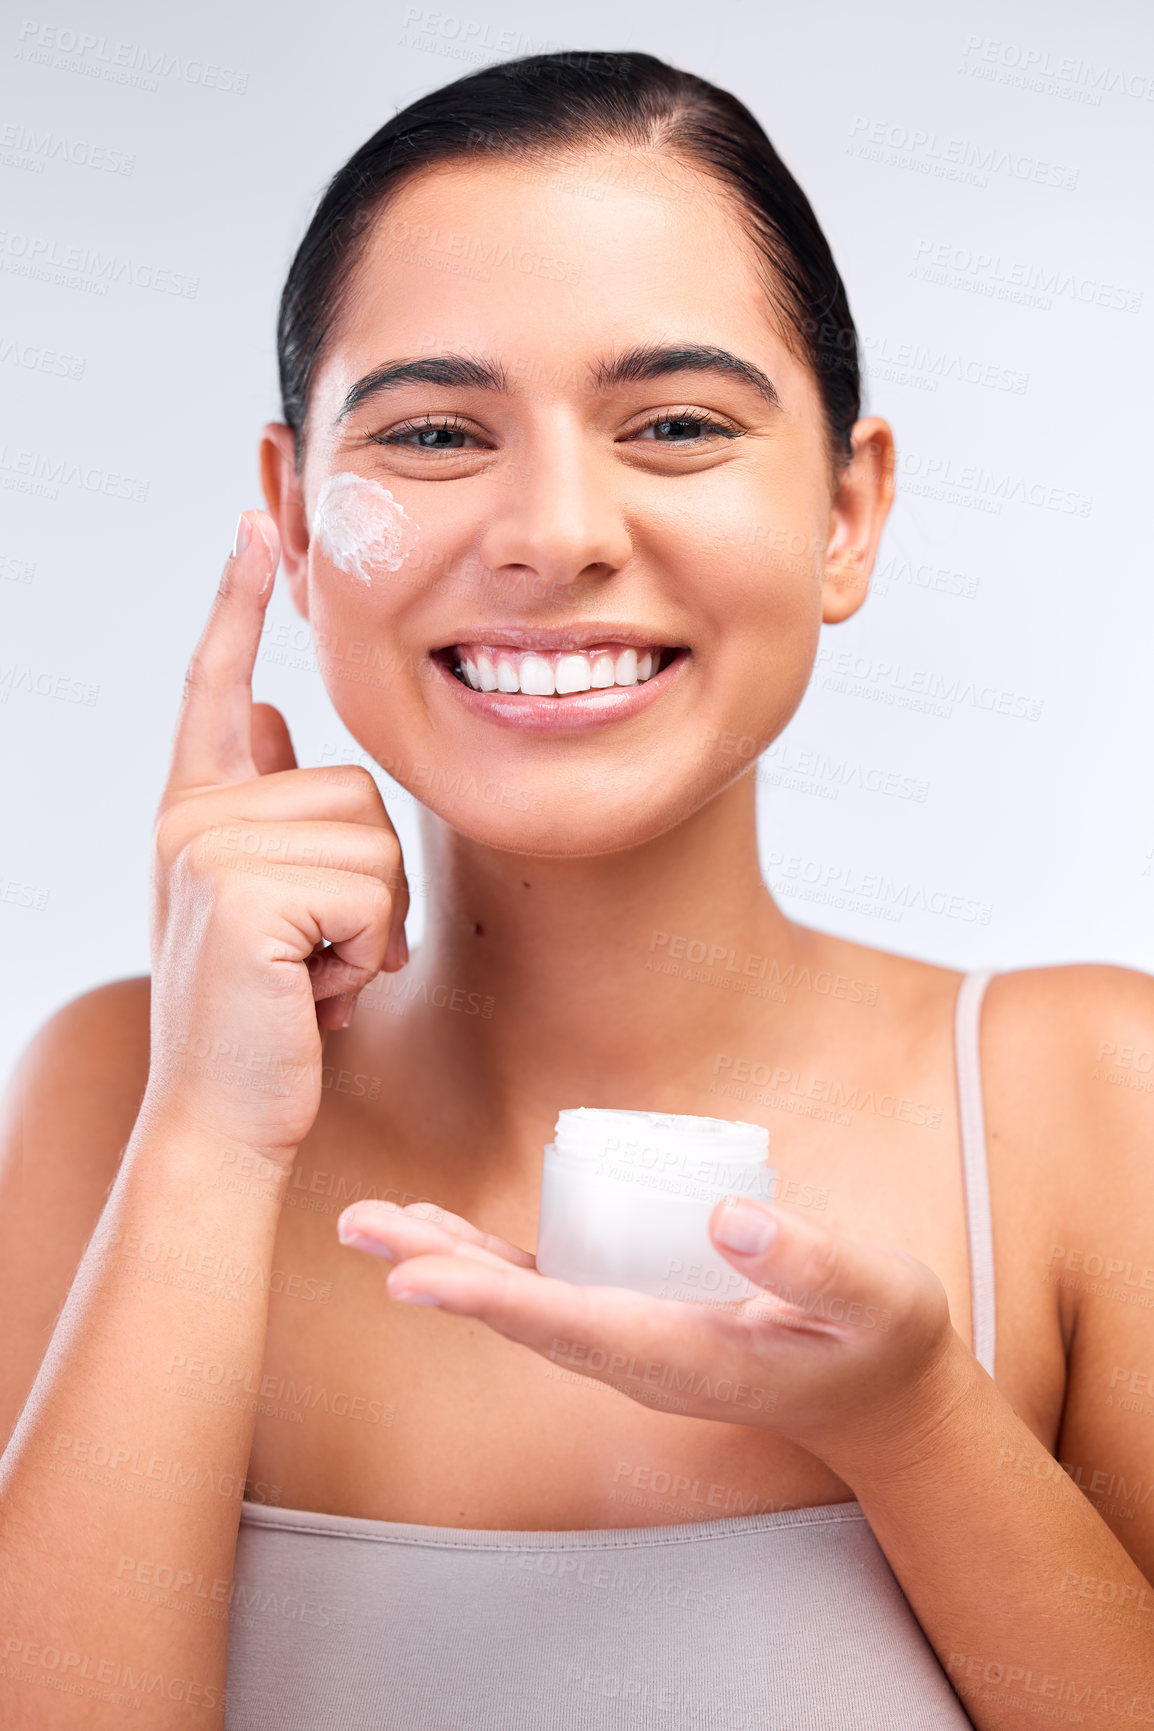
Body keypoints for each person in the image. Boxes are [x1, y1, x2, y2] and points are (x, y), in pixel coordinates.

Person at [1, 49, 1152, 1731]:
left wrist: (914, 1426)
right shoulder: (116, 1091)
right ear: (294, 522)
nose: (554, 532)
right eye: (437, 431)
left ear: (846, 507)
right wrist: (209, 1138)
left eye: (676, 426)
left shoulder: (1084, 1097)